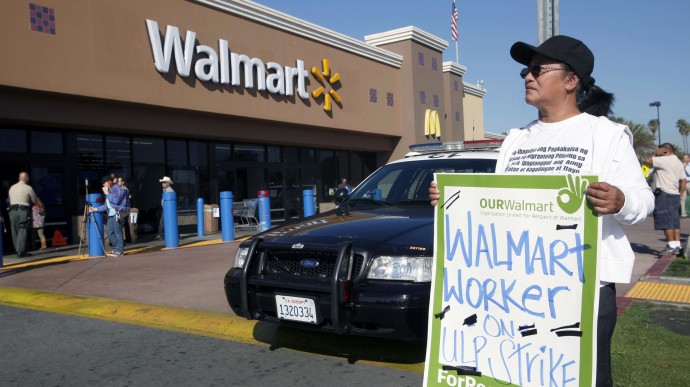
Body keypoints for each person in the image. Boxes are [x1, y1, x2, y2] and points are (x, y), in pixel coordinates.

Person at [429, 35, 653, 387]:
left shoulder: (606, 135)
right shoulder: (516, 139)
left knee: (584, 377)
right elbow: (497, 207)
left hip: (585, 287)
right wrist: (452, 201)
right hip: (518, 287)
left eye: (537, 69)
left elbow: (643, 200)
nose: (527, 77)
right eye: (525, 70)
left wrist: (621, 200)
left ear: (571, 80)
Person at [644, 144, 686, 255]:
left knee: (665, 220)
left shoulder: (664, 160)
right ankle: (677, 245)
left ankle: (671, 245)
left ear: (665, 150)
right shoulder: (678, 162)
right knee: (674, 222)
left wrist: (655, 154)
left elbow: (647, 160)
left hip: (663, 194)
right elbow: (683, 181)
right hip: (674, 194)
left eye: (659, 149)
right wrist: (680, 194)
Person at [89, 175, 126, 257]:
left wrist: (107, 193)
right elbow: (107, 205)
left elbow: (116, 201)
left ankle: (120, 250)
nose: (103, 184)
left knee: (117, 232)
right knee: (109, 232)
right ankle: (116, 248)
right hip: (111, 214)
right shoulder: (110, 191)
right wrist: (95, 209)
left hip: (117, 213)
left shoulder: (117, 189)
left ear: (109, 182)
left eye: (104, 183)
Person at [8, 171, 38, 258]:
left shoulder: (12, 188)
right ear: (27, 178)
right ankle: (20, 251)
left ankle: (17, 249)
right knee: (22, 229)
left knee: (14, 230)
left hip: (12, 211)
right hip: (23, 210)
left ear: (19, 178)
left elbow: (9, 199)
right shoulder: (28, 188)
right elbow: (34, 200)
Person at [117, 177, 132, 244]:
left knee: (123, 224)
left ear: (123, 182)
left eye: (120, 181)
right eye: (118, 181)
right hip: (122, 209)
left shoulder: (125, 189)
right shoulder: (120, 189)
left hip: (124, 209)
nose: (118, 182)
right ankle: (128, 239)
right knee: (125, 224)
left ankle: (127, 239)